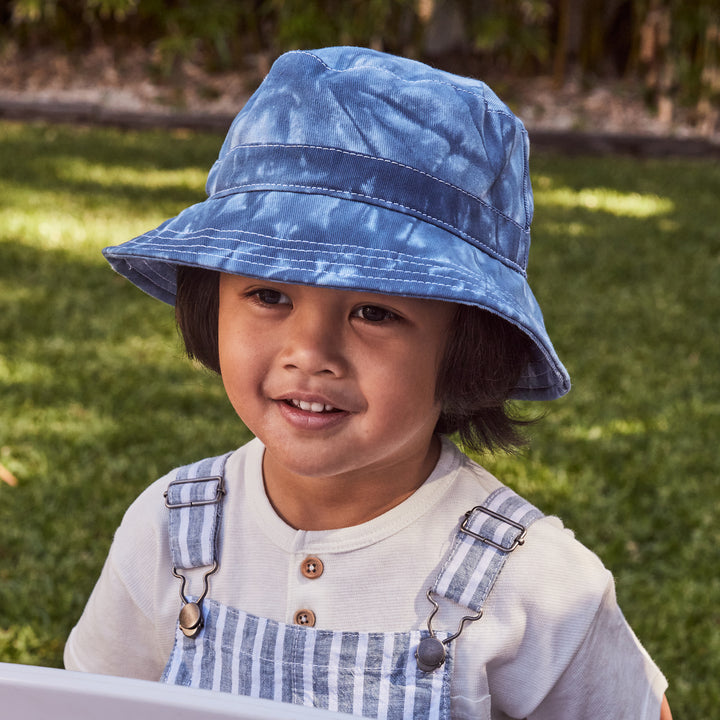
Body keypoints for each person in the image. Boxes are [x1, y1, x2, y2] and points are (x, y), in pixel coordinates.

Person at [64, 47, 671, 720]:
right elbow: (88, 704)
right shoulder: (171, 529)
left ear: (466, 349)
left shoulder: (536, 583)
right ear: (210, 303)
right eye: (269, 294)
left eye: (374, 313)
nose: (310, 351)